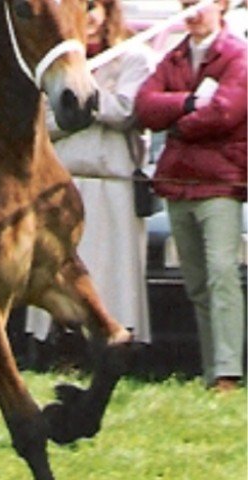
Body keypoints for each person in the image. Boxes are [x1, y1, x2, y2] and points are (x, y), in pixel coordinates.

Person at [22, 0, 155, 371]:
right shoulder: (51, 64)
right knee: (58, 267)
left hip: (110, 181)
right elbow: (44, 122)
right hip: (62, 181)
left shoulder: (133, 58)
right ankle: (64, 346)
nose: (89, 19)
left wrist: (87, 98)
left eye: (92, 7)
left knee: (110, 271)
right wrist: (76, 107)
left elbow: (127, 110)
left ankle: (114, 347)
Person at [135, 0, 247, 392]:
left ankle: (229, 373)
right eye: (185, 5)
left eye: (198, 4)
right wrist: (186, 103)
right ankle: (210, 369)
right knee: (196, 282)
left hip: (221, 185)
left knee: (222, 274)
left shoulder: (237, 55)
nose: (191, 13)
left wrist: (177, 124)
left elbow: (226, 111)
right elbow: (144, 105)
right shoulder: (175, 56)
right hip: (178, 183)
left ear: (221, 6)